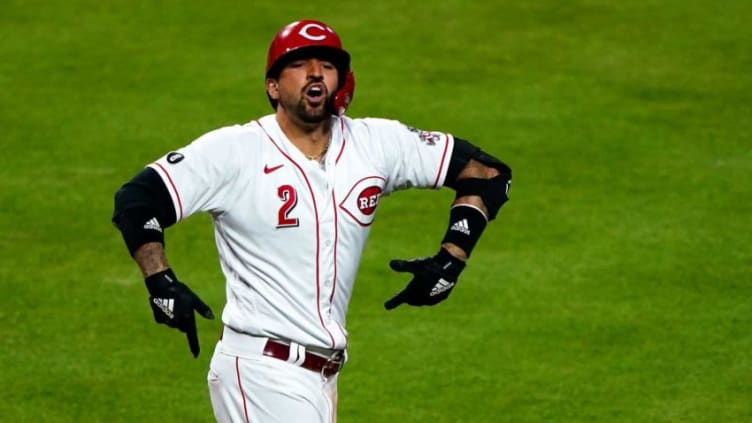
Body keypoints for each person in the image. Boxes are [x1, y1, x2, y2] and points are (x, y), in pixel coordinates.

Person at [112, 19, 512, 423]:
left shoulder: (375, 145)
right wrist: (159, 280)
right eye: (300, 63)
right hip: (259, 371)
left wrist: (451, 258)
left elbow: (487, 174)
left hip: (321, 381)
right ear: (272, 86)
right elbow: (137, 199)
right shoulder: (235, 151)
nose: (316, 72)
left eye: (327, 63)